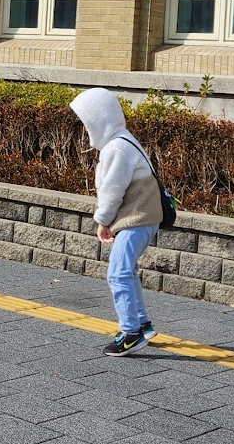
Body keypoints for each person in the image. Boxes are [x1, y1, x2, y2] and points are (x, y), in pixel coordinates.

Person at [70, 87, 166, 356]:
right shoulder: (123, 140)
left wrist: (102, 222)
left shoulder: (116, 148)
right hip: (142, 218)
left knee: (118, 273)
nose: (85, 128)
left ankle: (131, 334)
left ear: (99, 119)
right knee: (127, 270)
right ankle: (142, 324)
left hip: (137, 219)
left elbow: (112, 192)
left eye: (87, 121)